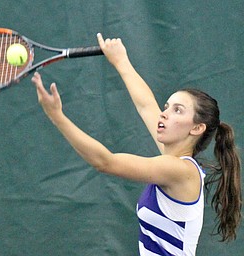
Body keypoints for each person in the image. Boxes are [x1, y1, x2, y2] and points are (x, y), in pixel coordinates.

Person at [31, 33, 242, 255]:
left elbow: (105, 162)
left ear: (197, 128)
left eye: (177, 110)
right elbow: (146, 105)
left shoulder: (180, 170)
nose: (164, 114)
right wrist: (121, 60)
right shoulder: (174, 162)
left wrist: (57, 117)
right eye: (167, 106)